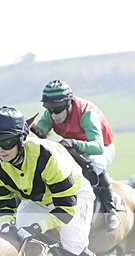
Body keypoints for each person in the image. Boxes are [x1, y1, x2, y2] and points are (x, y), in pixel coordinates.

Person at [0, 105, 127, 256]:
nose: (0, 149)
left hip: (74, 197)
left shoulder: (46, 156)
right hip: (38, 200)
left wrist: (38, 226)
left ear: (22, 138)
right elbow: (3, 204)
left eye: (6, 141)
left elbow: (66, 208)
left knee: (73, 245)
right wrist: (5, 224)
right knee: (15, 237)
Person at [33, 80, 121, 231]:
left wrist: (74, 143)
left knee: (94, 165)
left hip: (101, 147)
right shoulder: (50, 115)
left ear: (69, 103)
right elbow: (37, 135)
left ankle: (110, 209)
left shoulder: (86, 113)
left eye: (58, 109)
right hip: (74, 148)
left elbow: (98, 147)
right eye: (49, 109)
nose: (54, 115)